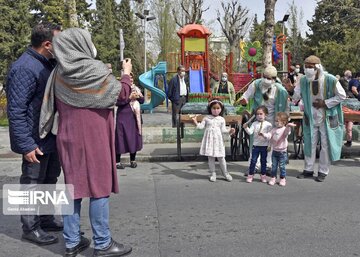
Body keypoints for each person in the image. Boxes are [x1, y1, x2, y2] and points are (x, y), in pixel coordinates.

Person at [39, 28, 132, 257]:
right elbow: (120, 95)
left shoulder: (58, 73)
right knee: (99, 188)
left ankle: (72, 243)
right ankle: (102, 243)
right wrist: (126, 74)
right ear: (81, 44)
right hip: (95, 136)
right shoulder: (95, 69)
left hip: (68, 137)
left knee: (73, 188)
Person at [6, 22, 62, 246]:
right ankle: (30, 228)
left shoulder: (46, 63)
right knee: (31, 183)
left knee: (49, 180)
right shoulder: (25, 67)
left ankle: (46, 219)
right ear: (47, 44)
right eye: (59, 41)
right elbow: (16, 110)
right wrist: (26, 145)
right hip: (34, 140)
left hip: (48, 137)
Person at [291, 55, 346, 182]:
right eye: (306, 67)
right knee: (309, 143)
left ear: (317, 67)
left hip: (327, 117)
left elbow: (342, 96)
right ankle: (308, 170)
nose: (307, 69)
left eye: (310, 67)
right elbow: (296, 96)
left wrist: (325, 103)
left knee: (326, 145)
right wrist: (290, 90)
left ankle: (323, 171)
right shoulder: (304, 80)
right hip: (310, 117)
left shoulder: (330, 79)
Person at [239, 65, 288, 171]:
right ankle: (254, 166)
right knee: (255, 142)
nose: (266, 79)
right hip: (258, 117)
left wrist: (283, 121)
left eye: (269, 78)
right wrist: (244, 100)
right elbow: (246, 95)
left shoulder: (280, 90)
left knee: (270, 142)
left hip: (272, 119)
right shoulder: (256, 84)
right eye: (264, 76)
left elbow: (285, 106)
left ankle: (268, 166)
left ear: (274, 79)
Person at [192, 99, 235, 182]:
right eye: (214, 108)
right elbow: (201, 127)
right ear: (210, 109)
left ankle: (225, 173)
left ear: (221, 109)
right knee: (211, 157)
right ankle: (213, 173)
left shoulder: (221, 119)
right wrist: (195, 122)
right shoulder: (206, 118)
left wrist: (230, 131)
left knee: (221, 157)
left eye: (218, 108)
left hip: (218, 141)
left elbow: (223, 130)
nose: (216, 110)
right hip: (209, 140)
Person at [115, 72, 144, 169]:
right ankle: (117, 162)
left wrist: (138, 97)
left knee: (133, 138)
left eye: (132, 78)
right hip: (122, 117)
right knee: (120, 138)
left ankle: (133, 160)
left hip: (133, 117)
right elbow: (117, 102)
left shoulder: (136, 88)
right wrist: (129, 98)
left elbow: (142, 101)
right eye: (128, 78)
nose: (130, 80)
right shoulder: (120, 89)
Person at [243, 106, 272, 183]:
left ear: (265, 115)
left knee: (263, 161)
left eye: (261, 114)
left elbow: (270, 135)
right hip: (255, 146)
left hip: (264, 146)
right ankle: (250, 175)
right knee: (253, 161)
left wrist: (264, 135)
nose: (259, 116)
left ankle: (263, 175)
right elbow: (250, 132)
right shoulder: (254, 124)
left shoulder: (268, 124)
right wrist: (246, 128)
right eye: (257, 114)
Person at [267, 112, 296, 186]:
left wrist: (288, 126)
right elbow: (270, 136)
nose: (276, 122)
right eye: (275, 121)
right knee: (274, 166)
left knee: (282, 166)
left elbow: (286, 132)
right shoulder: (274, 129)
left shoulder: (284, 129)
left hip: (282, 152)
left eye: (277, 121)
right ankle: (273, 178)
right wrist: (265, 136)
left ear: (284, 122)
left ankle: (282, 178)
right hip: (275, 151)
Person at [339, 70, 355, 147]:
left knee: (349, 126)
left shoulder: (353, 81)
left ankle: (349, 140)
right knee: (344, 125)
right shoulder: (341, 80)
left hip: (352, 102)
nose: (350, 74)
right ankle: (346, 140)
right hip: (344, 101)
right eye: (349, 73)